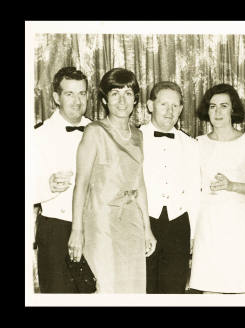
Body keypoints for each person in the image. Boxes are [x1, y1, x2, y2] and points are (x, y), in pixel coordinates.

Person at [68, 68, 157, 293]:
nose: (121, 100)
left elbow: (140, 184)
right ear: (105, 99)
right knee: (107, 287)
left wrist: (147, 229)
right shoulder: (94, 132)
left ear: (135, 99)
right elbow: (81, 185)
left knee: (133, 288)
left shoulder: (138, 134)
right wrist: (76, 231)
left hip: (132, 223)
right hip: (101, 223)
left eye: (128, 93)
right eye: (115, 93)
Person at [189, 83, 245, 294]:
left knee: (244, 288)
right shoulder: (197, 143)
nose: (218, 112)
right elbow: (192, 191)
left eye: (224, 106)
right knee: (210, 289)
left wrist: (232, 185)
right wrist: (193, 233)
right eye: (213, 106)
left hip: (239, 223)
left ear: (233, 109)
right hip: (208, 224)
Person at [33, 67, 92, 293]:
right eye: (70, 94)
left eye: (82, 93)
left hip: (93, 227)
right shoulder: (38, 135)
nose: (77, 101)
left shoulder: (97, 131)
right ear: (57, 97)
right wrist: (47, 186)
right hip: (56, 229)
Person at [142, 81, 200, 294]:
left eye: (175, 106)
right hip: (144, 223)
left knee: (174, 290)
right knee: (144, 288)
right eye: (163, 104)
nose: (170, 111)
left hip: (179, 226)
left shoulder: (192, 145)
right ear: (150, 105)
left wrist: (193, 233)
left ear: (181, 109)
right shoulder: (134, 138)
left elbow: (195, 192)